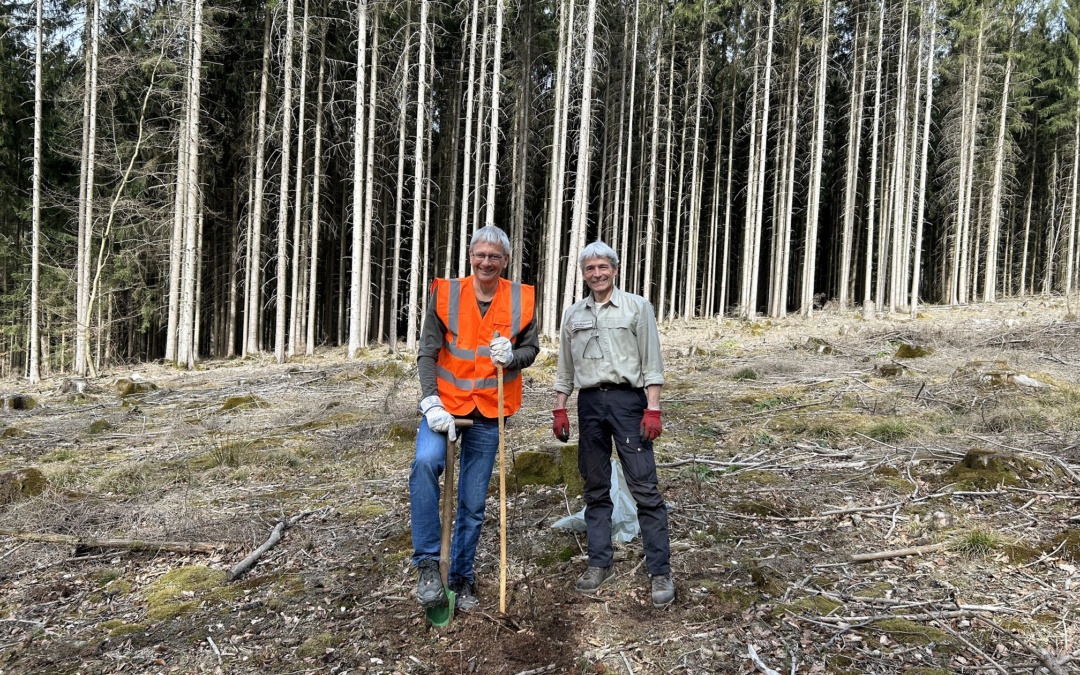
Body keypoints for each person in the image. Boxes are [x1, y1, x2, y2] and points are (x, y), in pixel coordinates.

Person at [410, 225, 539, 613]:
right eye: (480, 255)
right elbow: (427, 353)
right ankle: (428, 566)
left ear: (506, 260)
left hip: (490, 409)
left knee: (472, 500)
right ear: (471, 256)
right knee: (424, 464)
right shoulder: (447, 293)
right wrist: (430, 401)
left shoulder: (520, 299)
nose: (486, 262)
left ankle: (462, 575)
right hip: (445, 407)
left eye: (494, 256)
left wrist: (511, 358)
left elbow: (531, 349)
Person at [551, 241, 674, 609]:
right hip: (589, 404)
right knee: (595, 485)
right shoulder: (573, 315)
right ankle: (600, 563)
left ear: (615, 269)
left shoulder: (637, 307)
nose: (597, 274)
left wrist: (653, 409)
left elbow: (652, 362)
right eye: (590, 269)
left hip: (627, 401)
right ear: (583, 274)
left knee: (644, 486)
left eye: (603, 267)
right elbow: (565, 369)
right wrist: (560, 408)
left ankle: (660, 571)